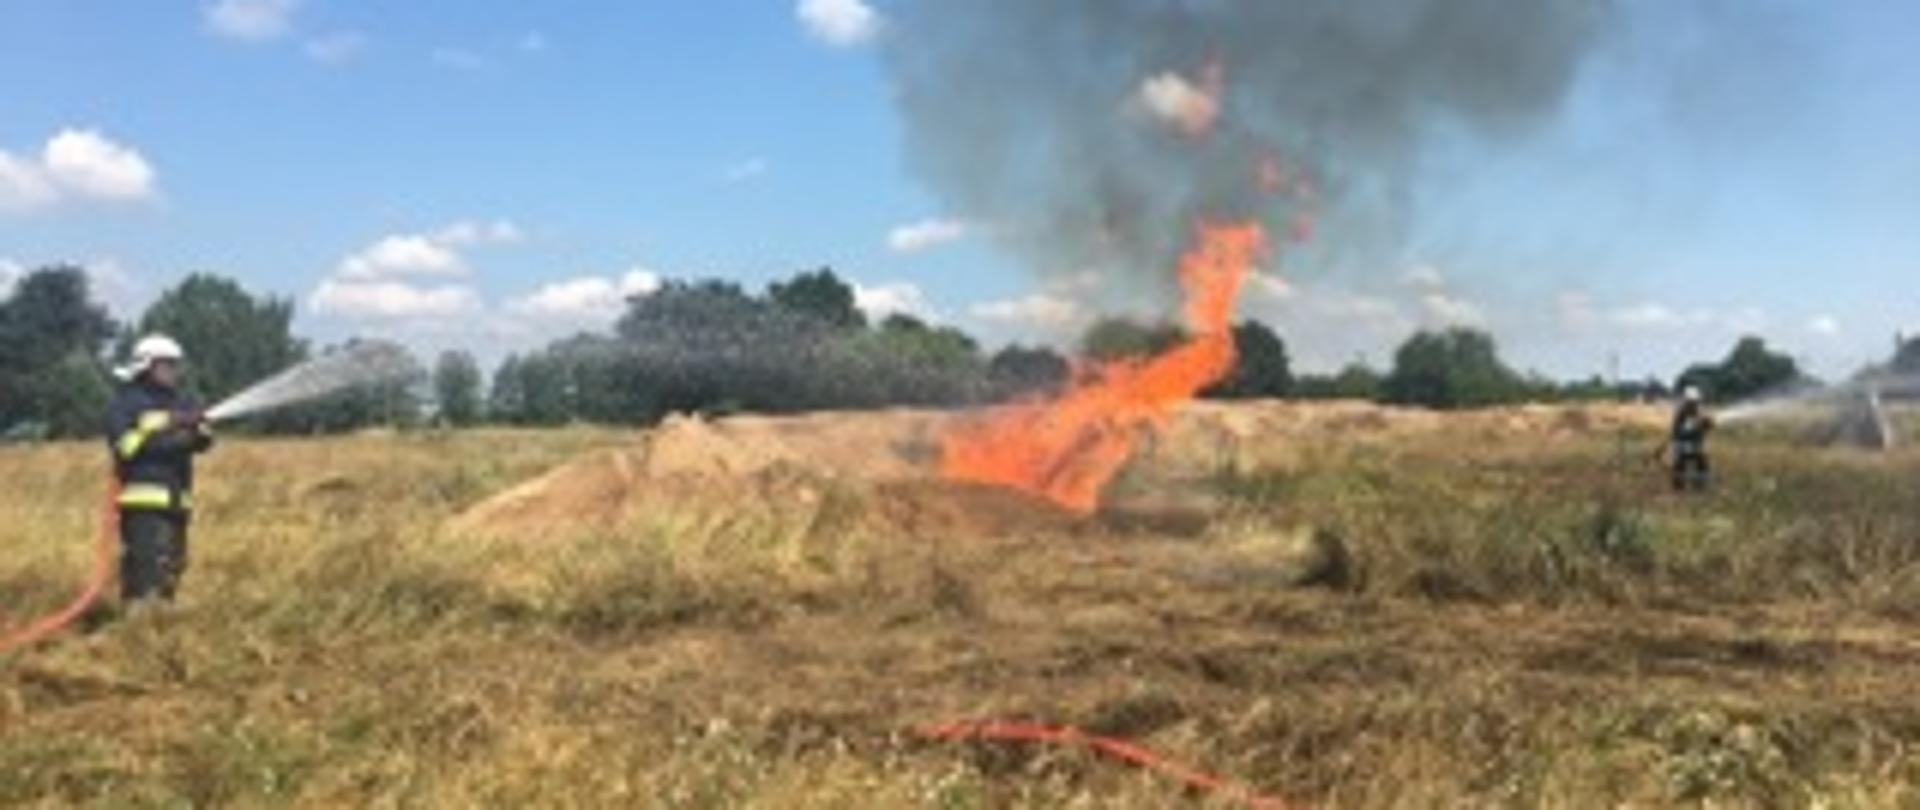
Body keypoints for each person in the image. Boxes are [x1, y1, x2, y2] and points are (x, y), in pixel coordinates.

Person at [105, 335, 214, 604]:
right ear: (147, 366)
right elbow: (124, 448)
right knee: (147, 573)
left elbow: (203, 442)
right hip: (143, 504)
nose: (174, 371)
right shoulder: (127, 403)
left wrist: (198, 429)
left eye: (176, 365)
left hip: (178, 501)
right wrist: (162, 424)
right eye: (168, 365)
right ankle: (139, 629)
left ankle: (159, 631)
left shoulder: (181, 401)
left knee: (172, 571)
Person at [1669, 386, 1714, 492]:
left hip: (1696, 443)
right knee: (1680, 465)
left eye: (1695, 401)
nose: (1694, 403)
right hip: (1683, 444)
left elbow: (1707, 426)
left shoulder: (1699, 411)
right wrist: (1690, 427)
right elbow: (1677, 430)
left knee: (1702, 465)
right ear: (1686, 401)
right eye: (1692, 401)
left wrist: (1707, 424)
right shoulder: (1681, 413)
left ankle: (1699, 487)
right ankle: (1679, 487)